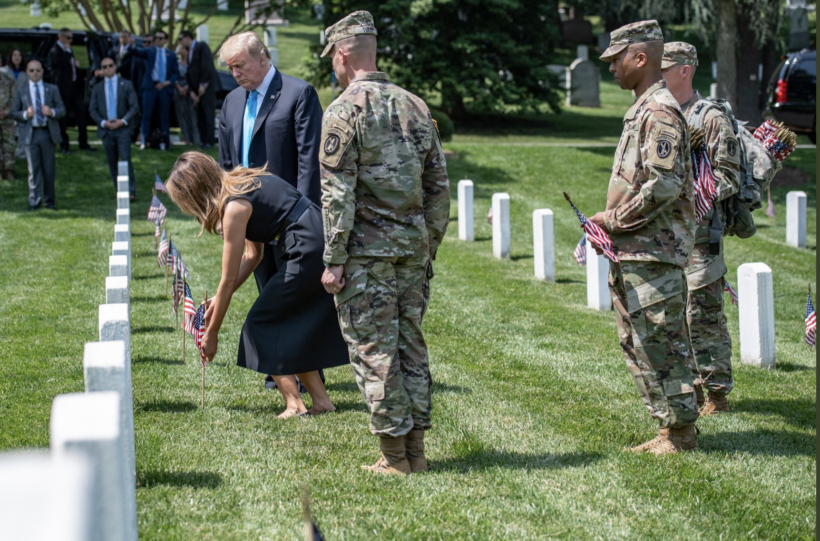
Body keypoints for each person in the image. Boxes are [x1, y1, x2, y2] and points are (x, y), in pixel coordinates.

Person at [318, 11, 450, 475]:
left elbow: (337, 196)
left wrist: (333, 260)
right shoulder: (415, 105)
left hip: (366, 257)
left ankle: (396, 458)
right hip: (411, 252)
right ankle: (415, 453)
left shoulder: (342, 111)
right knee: (409, 344)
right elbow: (439, 187)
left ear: (343, 55)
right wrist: (426, 243)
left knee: (375, 350)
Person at [164, 152, 348, 418]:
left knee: (260, 324)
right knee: (285, 321)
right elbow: (253, 255)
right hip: (311, 235)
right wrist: (217, 298)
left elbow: (228, 278)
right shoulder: (243, 182)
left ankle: (295, 405)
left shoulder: (234, 209)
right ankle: (321, 402)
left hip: (305, 244)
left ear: (195, 193)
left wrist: (211, 333)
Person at [591, 20, 698, 456]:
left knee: (663, 342)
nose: (612, 67)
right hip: (636, 248)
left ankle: (682, 433)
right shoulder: (642, 110)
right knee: (640, 342)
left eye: (617, 58)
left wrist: (616, 219)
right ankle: (666, 428)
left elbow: (664, 185)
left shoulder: (659, 112)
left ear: (640, 58)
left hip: (654, 250)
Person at [217, 31, 324, 391]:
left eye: (240, 66)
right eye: (230, 68)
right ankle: (280, 367)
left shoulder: (298, 93)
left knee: (297, 295)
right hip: (251, 217)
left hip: (293, 216)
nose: (235, 74)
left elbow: (310, 162)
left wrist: (310, 213)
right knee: (268, 292)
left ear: (262, 58)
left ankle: (309, 369)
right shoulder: (231, 102)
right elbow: (227, 164)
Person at [662, 42, 740, 416]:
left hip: (701, 236)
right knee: (674, 313)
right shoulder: (663, 114)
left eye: (664, 68)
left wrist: (688, 192)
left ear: (684, 70)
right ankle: (690, 385)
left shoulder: (709, 118)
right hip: (669, 235)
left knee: (703, 314)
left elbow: (728, 177)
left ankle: (717, 393)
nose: (656, 75)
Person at [11, 59, 65, 210]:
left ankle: (49, 201)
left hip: (47, 133)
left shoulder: (52, 89)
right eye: (32, 70)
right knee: (33, 170)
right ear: (27, 72)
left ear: (42, 71)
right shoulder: (21, 90)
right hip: (30, 134)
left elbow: (62, 109)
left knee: (49, 169)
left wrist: (52, 112)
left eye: (38, 70)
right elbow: (14, 112)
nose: (35, 73)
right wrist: (25, 114)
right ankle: (34, 202)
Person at [89, 57, 139, 198]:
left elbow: (134, 106)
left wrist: (122, 121)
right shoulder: (98, 88)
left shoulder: (126, 84)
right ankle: (119, 191)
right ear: (101, 70)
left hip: (123, 129)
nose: (108, 68)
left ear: (115, 66)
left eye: (110, 65)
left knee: (125, 159)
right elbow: (93, 110)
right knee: (112, 162)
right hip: (106, 130)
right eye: (104, 67)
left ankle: (131, 191)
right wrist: (104, 123)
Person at [48, 28, 94, 153]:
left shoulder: (68, 50)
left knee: (81, 113)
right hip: (62, 90)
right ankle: (64, 145)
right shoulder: (55, 51)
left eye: (71, 38)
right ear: (61, 37)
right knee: (63, 118)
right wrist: (68, 52)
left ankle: (83, 142)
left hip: (73, 88)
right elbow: (59, 65)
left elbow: (71, 68)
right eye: (68, 38)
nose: (70, 40)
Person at [133, 30, 178, 150]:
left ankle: (165, 142)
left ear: (165, 40)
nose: (158, 40)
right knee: (146, 115)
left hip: (164, 88)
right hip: (150, 87)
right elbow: (137, 52)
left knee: (164, 117)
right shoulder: (149, 51)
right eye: (156, 38)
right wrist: (131, 45)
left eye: (160, 38)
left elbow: (175, 73)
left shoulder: (171, 54)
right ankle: (143, 141)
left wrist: (166, 83)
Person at [178, 31, 216, 149]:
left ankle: (209, 141)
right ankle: (203, 141)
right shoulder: (190, 51)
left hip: (206, 88)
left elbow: (206, 66)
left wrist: (202, 84)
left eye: (181, 38)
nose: (180, 42)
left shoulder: (201, 46)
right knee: (200, 117)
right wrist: (192, 92)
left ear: (188, 37)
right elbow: (190, 73)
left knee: (208, 114)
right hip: (196, 91)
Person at [3, 49, 29, 160]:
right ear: (10, 57)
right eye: (14, 55)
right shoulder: (3, 71)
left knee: (22, 130)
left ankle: (21, 153)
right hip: (5, 104)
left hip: (21, 105)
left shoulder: (26, 73)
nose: (17, 57)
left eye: (19, 55)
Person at [173, 44, 200, 145]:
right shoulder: (176, 63)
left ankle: (195, 138)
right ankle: (187, 138)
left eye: (181, 49)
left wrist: (187, 88)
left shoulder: (191, 63)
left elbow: (194, 76)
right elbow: (173, 75)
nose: (180, 50)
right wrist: (179, 88)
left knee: (192, 115)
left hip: (190, 89)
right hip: (178, 89)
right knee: (181, 114)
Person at [0, 57, 16, 180]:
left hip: (7, 117)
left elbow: (14, 98)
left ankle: (9, 171)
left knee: (9, 145)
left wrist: (6, 111)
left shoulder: (9, 79)